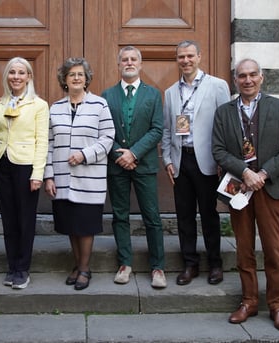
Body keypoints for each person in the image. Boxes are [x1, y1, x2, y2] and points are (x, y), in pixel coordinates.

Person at [212, 58, 279, 332]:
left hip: (270, 188)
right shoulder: (224, 112)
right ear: (235, 80)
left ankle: (278, 306)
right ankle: (248, 301)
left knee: (274, 250)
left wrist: (262, 174)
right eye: (241, 76)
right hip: (239, 189)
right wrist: (244, 172)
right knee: (244, 249)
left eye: (252, 75)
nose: (247, 80)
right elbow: (218, 150)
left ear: (261, 78)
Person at [161, 40, 231, 286]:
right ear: (177, 59)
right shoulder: (171, 92)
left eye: (190, 55)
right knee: (185, 216)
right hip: (182, 161)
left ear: (199, 56)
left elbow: (227, 123)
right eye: (181, 56)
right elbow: (168, 129)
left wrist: (225, 159)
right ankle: (190, 264)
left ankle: (215, 264)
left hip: (209, 161)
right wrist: (167, 159)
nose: (186, 60)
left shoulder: (217, 86)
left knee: (210, 215)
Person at [44, 57, 115, 291]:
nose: (76, 78)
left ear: (86, 79)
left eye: (80, 75)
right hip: (63, 178)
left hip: (89, 177)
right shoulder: (54, 108)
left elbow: (107, 138)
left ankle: (84, 268)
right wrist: (49, 175)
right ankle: (77, 265)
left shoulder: (99, 105)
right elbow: (49, 143)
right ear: (64, 79)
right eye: (71, 74)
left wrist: (85, 154)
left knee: (85, 226)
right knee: (69, 225)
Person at [0, 57, 49, 290]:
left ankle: (22, 269)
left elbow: (42, 141)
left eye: (21, 73)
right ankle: (11, 267)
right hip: (2, 164)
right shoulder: (1, 104)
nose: (16, 77)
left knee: (24, 219)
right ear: (7, 77)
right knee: (8, 218)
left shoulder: (39, 105)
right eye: (12, 72)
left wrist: (37, 173)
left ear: (29, 77)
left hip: (26, 167)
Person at [102, 46, 167, 288]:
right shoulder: (107, 95)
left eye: (133, 59)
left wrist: (134, 153)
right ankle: (125, 263)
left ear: (140, 65)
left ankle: (158, 267)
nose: (129, 63)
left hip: (144, 165)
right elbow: (104, 131)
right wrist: (120, 153)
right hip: (116, 164)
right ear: (118, 65)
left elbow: (157, 129)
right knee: (120, 216)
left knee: (152, 217)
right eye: (124, 60)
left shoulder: (153, 95)